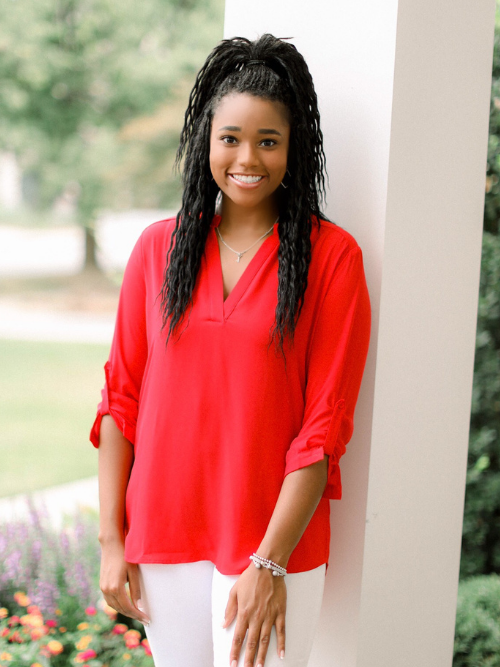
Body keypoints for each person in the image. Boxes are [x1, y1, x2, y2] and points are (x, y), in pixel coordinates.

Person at [90, 33, 371, 667]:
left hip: (269, 550)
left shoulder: (332, 259)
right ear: (205, 143)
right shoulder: (158, 251)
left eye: (268, 140)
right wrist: (112, 540)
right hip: (161, 540)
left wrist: (268, 563)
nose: (249, 157)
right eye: (231, 138)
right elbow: (120, 402)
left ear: (295, 148)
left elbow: (322, 430)